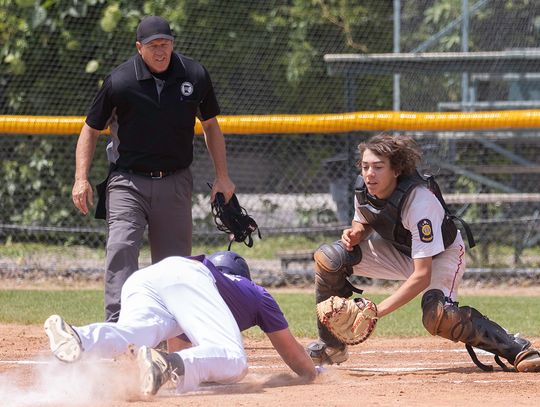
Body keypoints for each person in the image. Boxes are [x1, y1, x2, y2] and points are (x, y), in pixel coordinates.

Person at [307, 133, 540, 373]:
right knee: (329, 259)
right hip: (400, 251)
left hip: (441, 256)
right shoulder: (364, 189)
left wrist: (375, 312)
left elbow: (422, 276)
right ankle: (332, 346)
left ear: (396, 170)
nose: (369, 174)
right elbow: (364, 219)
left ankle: (515, 347)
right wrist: (357, 233)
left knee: (439, 317)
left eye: (378, 167)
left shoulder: (419, 201)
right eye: (365, 167)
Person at [71, 15, 235, 322]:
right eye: (153, 46)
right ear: (139, 47)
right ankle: (119, 326)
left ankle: (167, 328)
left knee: (174, 265)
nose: (160, 51)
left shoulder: (194, 74)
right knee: (121, 247)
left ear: (173, 44)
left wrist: (222, 177)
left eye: (166, 44)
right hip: (127, 182)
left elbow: (211, 126)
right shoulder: (121, 81)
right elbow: (90, 129)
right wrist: (81, 178)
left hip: (175, 181)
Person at [44, 252, 317, 395]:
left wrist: (175, 361)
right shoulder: (255, 292)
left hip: (146, 278)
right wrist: (317, 370)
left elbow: (183, 346)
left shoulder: (201, 302)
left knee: (135, 334)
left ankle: (81, 337)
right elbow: (297, 360)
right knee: (235, 360)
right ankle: (167, 364)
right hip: (187, 275)